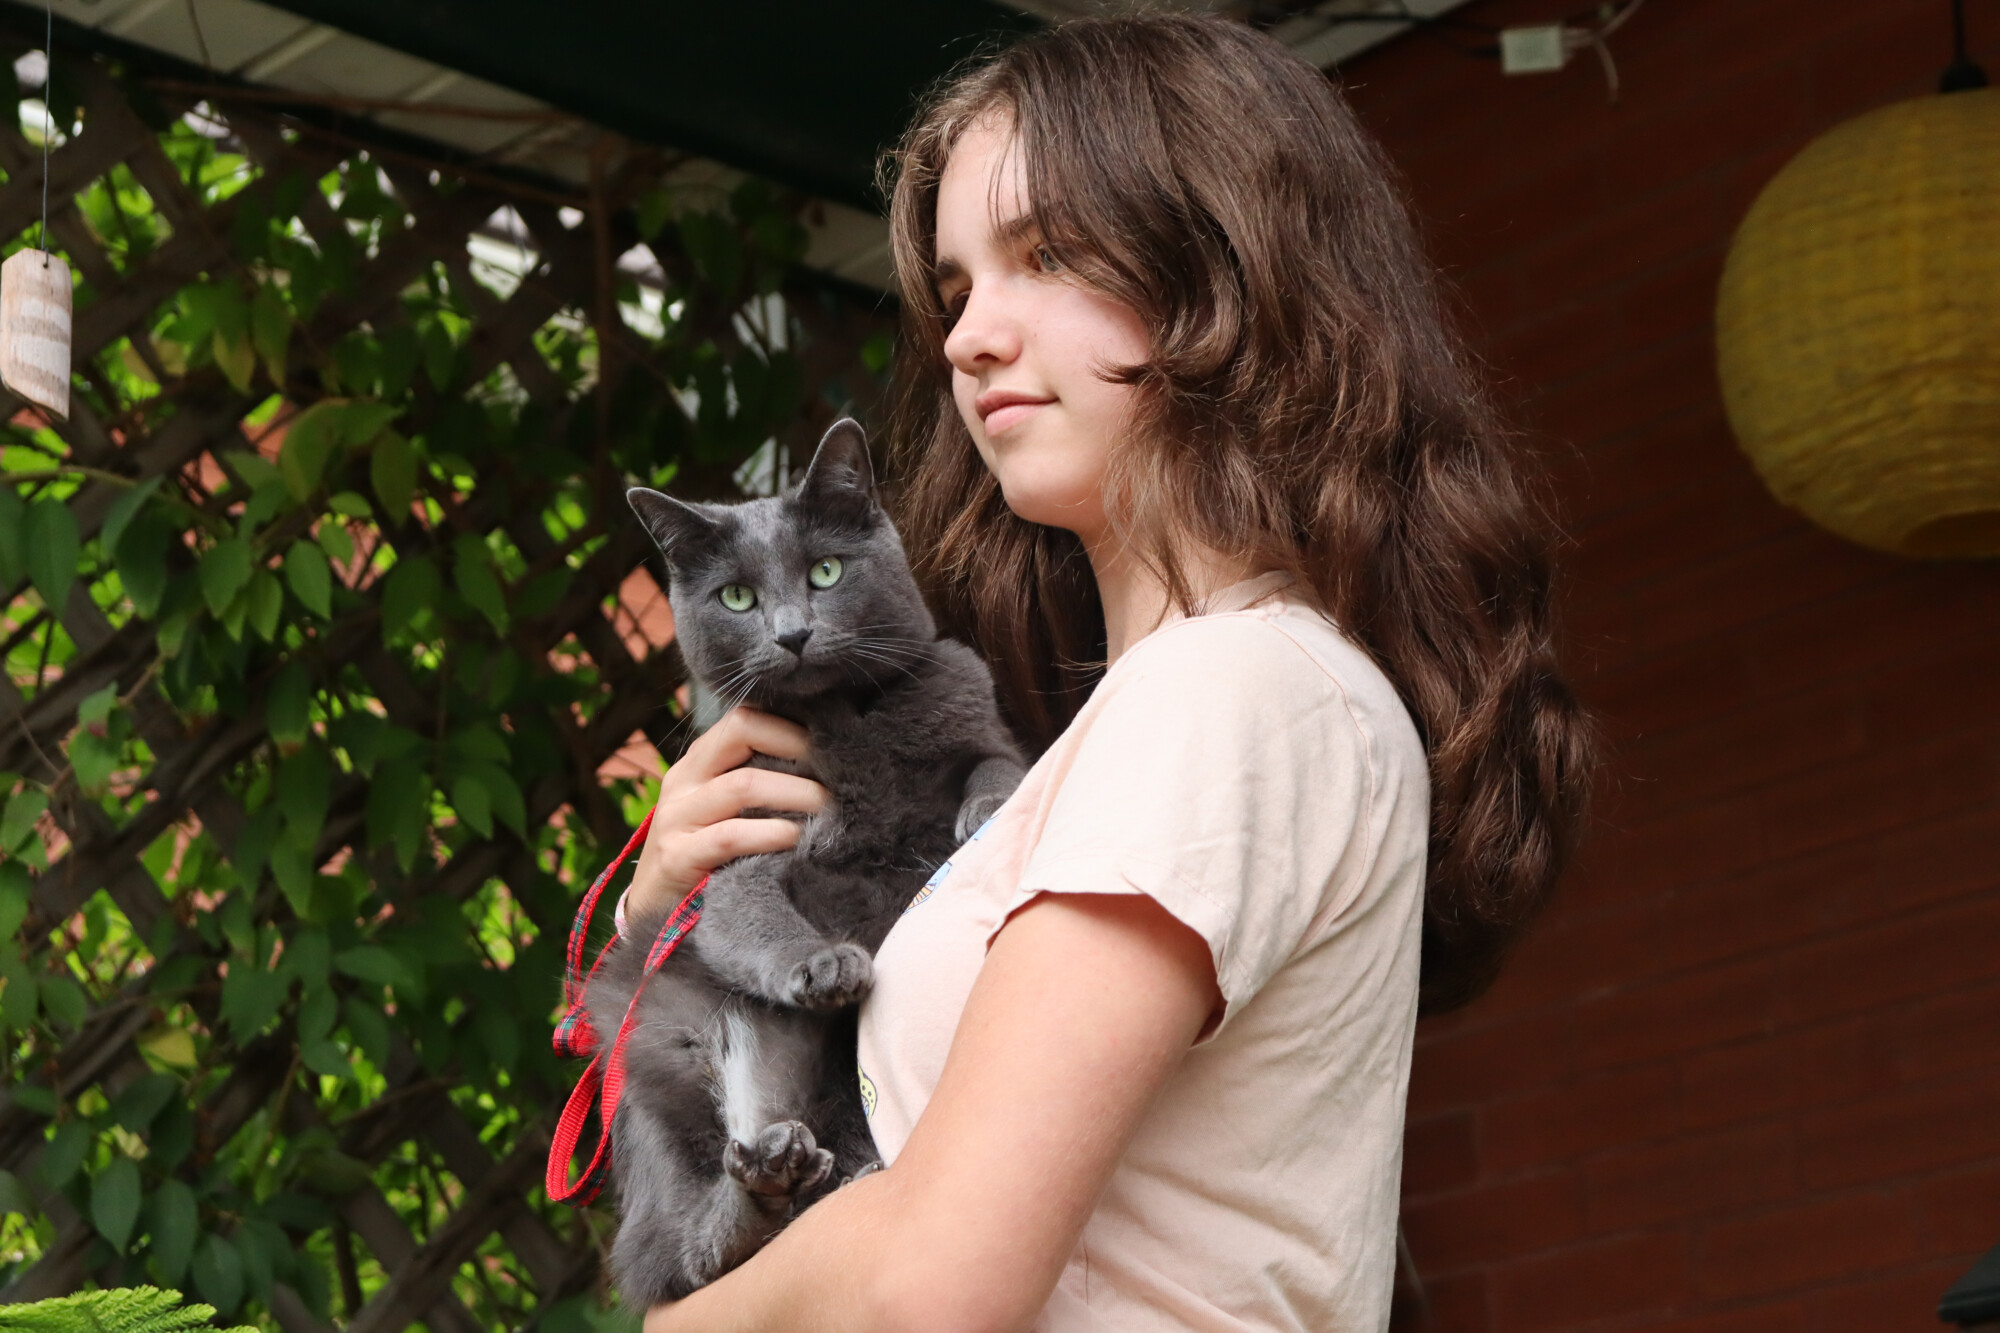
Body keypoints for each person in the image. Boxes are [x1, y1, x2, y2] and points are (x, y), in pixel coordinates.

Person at [616, 15, 1591, 1332]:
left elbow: (929, 1284)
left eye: (1046, 255)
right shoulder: (1147, 719)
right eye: (955, 287)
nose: (967, 337)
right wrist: (668, 928)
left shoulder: (1233, 691)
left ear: (1230, 267)